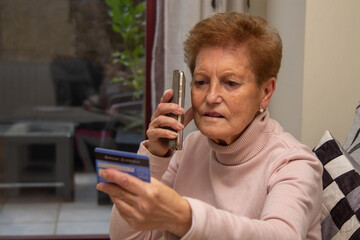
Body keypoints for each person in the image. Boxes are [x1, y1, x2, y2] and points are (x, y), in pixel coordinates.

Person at [96, 12, 323, 240]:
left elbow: (282, 235)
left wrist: (184, 217)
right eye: (201, 82)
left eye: (230, 83)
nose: (211, 96)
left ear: (265, 92)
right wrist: (154, 158)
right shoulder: (189, 148)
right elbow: (129, 238)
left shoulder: (294, 163)